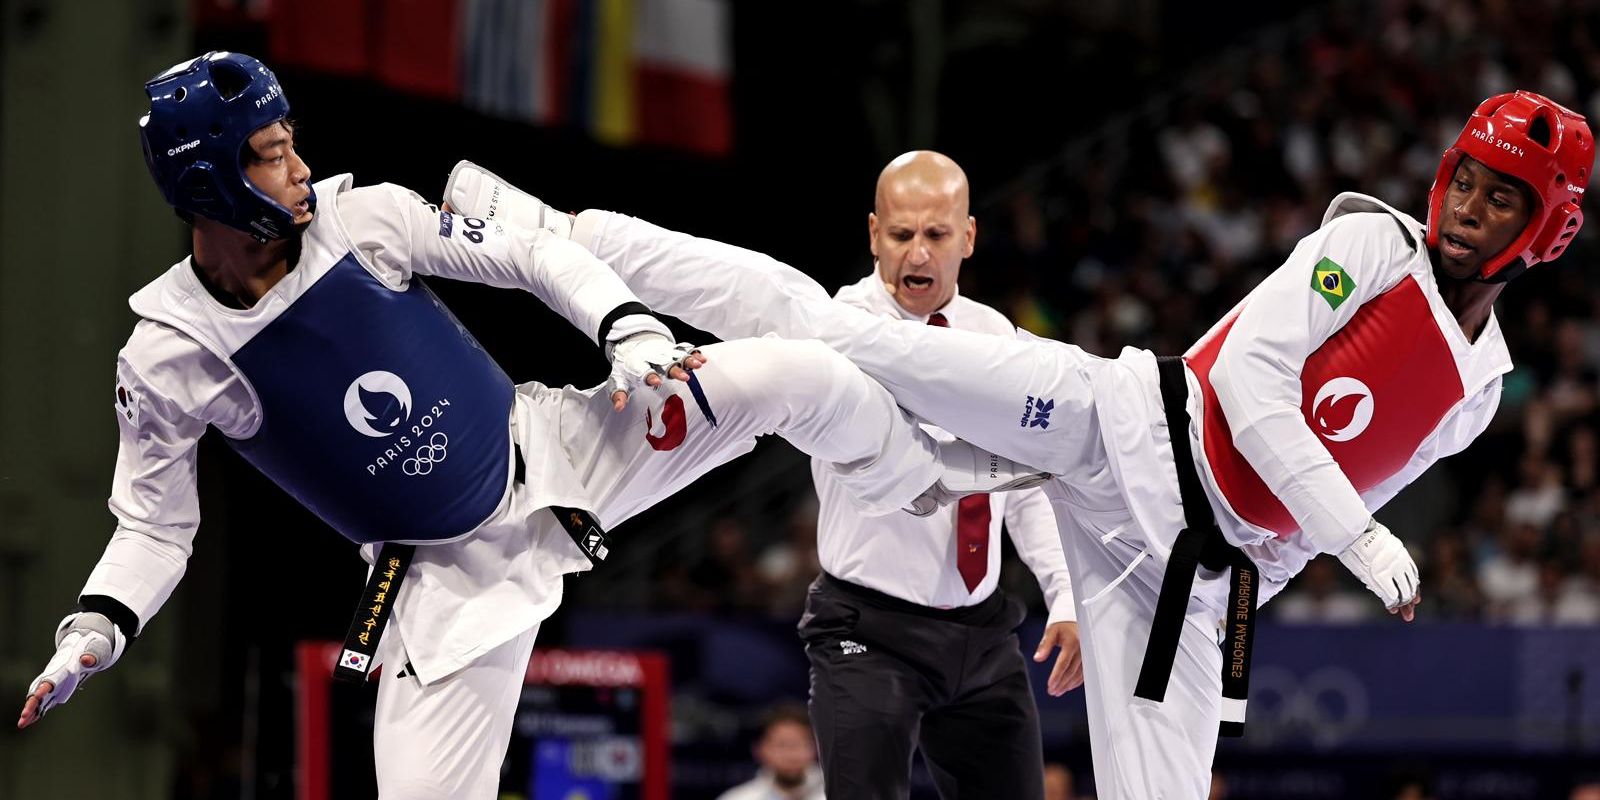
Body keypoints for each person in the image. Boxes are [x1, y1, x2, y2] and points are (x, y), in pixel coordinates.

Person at [452, 90, 1591, 799]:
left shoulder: (1479, 392)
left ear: (1545, 230)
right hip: (1120, 431)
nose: (1470, 208)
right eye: (1468, 181)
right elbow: (1247, 382)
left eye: (1505, 199)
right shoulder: (1364, 242)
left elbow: (1316, 499)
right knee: (822, 331)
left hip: (1186, 586)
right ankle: (555, 233)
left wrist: (1238, 579)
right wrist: (1361, 536)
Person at [13, 52, 1043, 799]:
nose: (298, 169)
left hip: (567, 446)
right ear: (208, 179)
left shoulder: (361, 216)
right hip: (441, 580)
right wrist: (98, 623)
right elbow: (155, 525)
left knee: (802, 367)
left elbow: (527, 262)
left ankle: (934, 471)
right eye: (272, 155)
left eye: (291, 147)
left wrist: (627, 328)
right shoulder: (167, 354)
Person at [793, 151, 1078, 798]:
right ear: (873, 234)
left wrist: (1066, 594)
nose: (916, 254)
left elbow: (1027, 486)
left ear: (968, 237)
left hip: (982, 634)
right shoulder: (835, 334)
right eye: (900, 235)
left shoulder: (994, 335)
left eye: (935, 235)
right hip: (869, 631)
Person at [716, 704, 825, 800]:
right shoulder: (737, 798)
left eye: (801, 744)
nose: (792, 755)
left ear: (816, 748)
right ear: (759, 750)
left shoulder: (835, 795)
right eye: (782, 745)